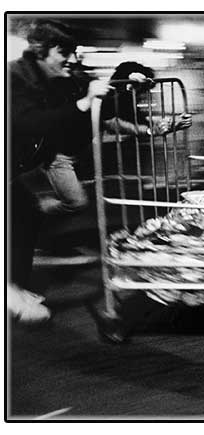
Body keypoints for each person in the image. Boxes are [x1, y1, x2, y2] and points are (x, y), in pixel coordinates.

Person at [8, 19, 111, 322]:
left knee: (27, 215)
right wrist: (83, 103)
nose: (69, 58)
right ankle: (10, 293)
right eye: (63, 52)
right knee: (19, 218)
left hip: (13, 168)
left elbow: (79, 86)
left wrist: (116, 83)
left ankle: (16, 286)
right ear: (43, 50)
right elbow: (27, 122)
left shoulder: (43, 77)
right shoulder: (13, 76)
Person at [101, 61, 192, 139]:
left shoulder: (124, 99)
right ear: (130, 86)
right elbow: (110, 122)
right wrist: (150, 131)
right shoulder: (111, 97)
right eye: (142, 90)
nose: (142, 95)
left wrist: (172, 122)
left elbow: (138, 120)